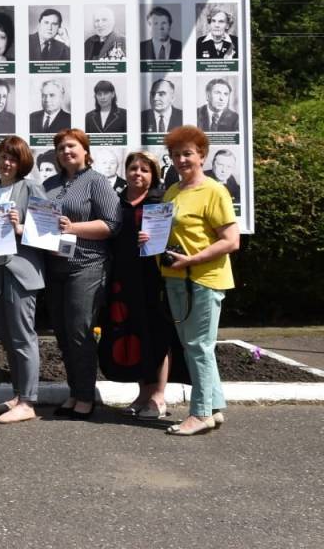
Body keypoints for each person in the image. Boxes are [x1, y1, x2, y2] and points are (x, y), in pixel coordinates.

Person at [148, 126, 240, 436]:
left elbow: (231, 240)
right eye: (176, 155)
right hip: (176, 278)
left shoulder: (214, 191)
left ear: (202, 155)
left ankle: (199, 414)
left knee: (199, 346)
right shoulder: (173, 191)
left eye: (187, 153)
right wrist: (151, 239)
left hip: (204, 278)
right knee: (193, 346)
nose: (181, 160)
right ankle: (213, 408)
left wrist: (192, 260)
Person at [42, 128, 121, 419]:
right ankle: (75, 392)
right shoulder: (50, 184)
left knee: (79, 332)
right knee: (63, 335)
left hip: (86, 266)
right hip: (55, 267)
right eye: (61, 148)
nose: (66, 151)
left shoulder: (96, 181)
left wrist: (72, 228)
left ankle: (86, 397)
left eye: (71, 146)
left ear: (85, 150)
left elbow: (112, 224)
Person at [99, 151, 181, 420]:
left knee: (157, 335)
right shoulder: (117, 200)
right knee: (134, 333)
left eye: (145, 170)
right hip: (123, 277)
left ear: (153, 174)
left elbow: (177, 236)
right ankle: (142, 394)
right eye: (133, 168)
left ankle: (158, 397)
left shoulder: (161, 201)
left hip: (153, 278)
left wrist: (158, 238)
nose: (138, 173)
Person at [0, 136, 46, 424]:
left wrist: (20, 227)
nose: (7, 163)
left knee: (22, 337)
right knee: (7, 338)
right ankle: (18, 396)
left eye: (13, 158)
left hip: (20, 272)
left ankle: (28, 402)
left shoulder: (31, 188)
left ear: (22, 162)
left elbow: (48, 230)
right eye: (3, 157)